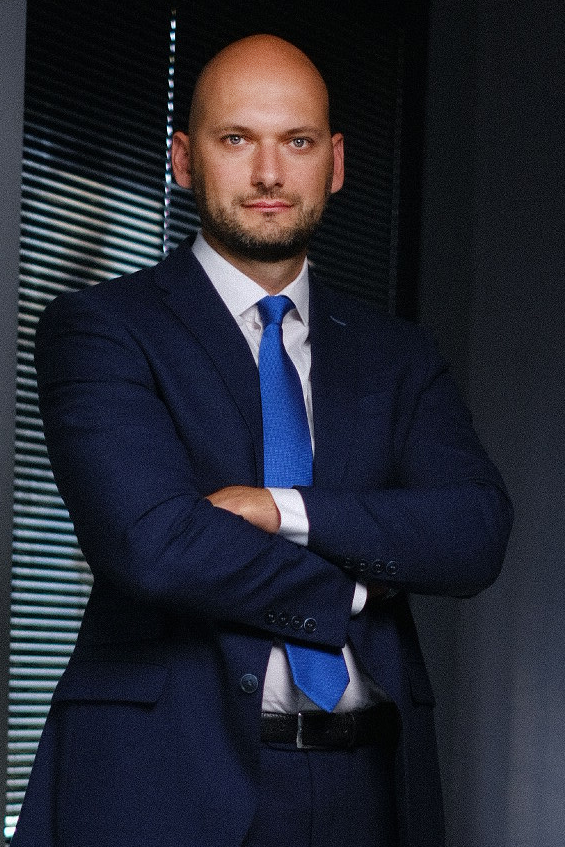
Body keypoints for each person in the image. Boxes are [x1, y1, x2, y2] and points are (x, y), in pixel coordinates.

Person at [12, 34, 513, 847]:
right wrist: (355, 590)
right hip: (161, 785)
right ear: (183, 159)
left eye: (298, 141)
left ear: (335, 163)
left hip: (368, 787)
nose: (270, 173)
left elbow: (473, 530)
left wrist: (282, 510)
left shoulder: (399, 355)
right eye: (237, 138)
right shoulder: (102, 330)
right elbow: (153, 543)